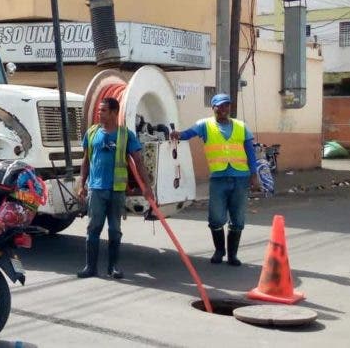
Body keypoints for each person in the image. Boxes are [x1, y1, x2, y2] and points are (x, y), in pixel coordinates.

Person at [170, 93, 259, 266]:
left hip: (240, 178)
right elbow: (188, 134)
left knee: (238, 219)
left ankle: (232, 255)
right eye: (220, 106)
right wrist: (177, 134)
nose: (224, 109)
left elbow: (251, 153)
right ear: (213, 108)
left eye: (227, 105)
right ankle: (219, 251)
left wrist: (254, 176)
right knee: (216, 218)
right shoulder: (204, 125)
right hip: (218, 179)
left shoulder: (242, 126)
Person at [76, 97, 152, 279]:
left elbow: (139, 162)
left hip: (116, 190)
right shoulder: (92, 133)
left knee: (115, 230)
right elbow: (86, 161)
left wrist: (147, 187)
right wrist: (81, 184)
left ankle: (113, 267)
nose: (99, 113)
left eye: (103, 110)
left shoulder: (126, 135)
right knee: (93, 228)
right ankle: (90, 267)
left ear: (114, 112)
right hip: (96, 189)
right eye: (99, 110)